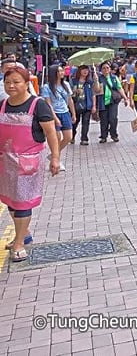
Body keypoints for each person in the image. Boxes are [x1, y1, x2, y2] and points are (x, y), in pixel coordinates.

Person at [0, 66, 61, 262]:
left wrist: (55, 157)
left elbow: (51, 133)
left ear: (27, 83)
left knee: (23, 202)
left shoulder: (38, 105)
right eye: (7, 82)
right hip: (5, 162)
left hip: (28, 164)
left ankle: (18, 243)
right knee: (10, 200)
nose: (11, 86)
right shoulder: (2, 105)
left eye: (16, 82)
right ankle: (23, 233)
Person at [41, 65, 75, 166]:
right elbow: (48, 104)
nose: (62, 73)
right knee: (56, 138)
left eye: (62, 71)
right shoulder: (47, 87)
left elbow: (70, 100)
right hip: (53, 114)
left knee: (68, 137)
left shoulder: (66, 85)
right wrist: (55, 118)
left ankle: (53, 155)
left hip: (65, 112)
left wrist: (73, 113)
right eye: (59, 71)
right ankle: (57, 160)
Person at [94, 61, 124, 143]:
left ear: (110, 69)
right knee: (104, 120)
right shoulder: (99, 78)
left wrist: (125, 98)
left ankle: (114, 135)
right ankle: (104, 136)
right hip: (102, 102)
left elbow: (119, 88)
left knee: (113, 118)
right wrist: (96, 81)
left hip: (113, 101)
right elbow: (96, 90)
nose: (106, 69)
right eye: (103, 68)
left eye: (107, 68)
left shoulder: (114, 78)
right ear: (101, 70)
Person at [70, 65, 97, 146]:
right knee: (75, 122)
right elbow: (69, 93)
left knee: (86, 122)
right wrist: (75, 92)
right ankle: (72, 136)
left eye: (87, 70)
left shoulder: (90, 82)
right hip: (76, 105)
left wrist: (94, 105)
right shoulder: (73, 81)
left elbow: (93, 94)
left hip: (87, 104)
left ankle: (84, 139)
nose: (85, 72)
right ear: (79, 71)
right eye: (83, 70)